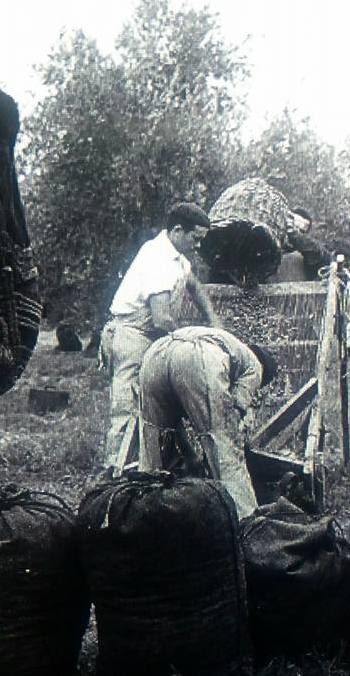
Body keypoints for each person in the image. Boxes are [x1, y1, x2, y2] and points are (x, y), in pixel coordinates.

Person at [100, 203, 220, 474]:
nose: (199, 245)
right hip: (131, 335)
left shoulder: (178, 257)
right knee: (128, 408)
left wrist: (214, 321)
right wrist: (192, 341)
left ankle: (168, 462)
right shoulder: (157, 258)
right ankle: (114, 474)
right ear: (178, 230)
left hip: (150, 337)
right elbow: (162, 318)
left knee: (161, 398)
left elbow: (193, 285)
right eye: (196, 238)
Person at [138, 325, 277, 519]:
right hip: (196, 356)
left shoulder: (229, 345)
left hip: (156, 353)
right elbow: (233, 414)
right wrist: (235, 446)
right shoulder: (255, 365)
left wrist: (191, 456)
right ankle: (246, 523)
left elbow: (173, 422)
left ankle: (144, 518)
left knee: (155, 444)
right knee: (225, 448)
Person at [280, 207, 332, 280]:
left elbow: (316, 252)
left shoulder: (311, 251)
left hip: (297, 289)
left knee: (294, 257)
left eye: (301, 231)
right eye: (293, 226)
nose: (297, 232)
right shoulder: (270, 246)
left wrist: (294, 234)